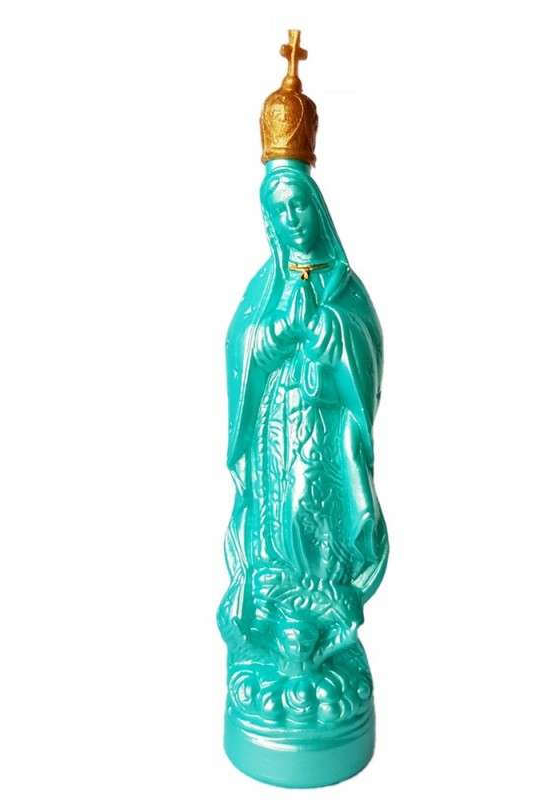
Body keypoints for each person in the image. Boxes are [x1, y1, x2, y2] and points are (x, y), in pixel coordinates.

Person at [218, 160, 388, 730]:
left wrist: (330, 332)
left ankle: (323, 590)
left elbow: (365, 342)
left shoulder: (343, 285)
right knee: (276, 511)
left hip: (321, 427)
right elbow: (242, 344)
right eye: (279, 210)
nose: (291, 217)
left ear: (317, 208)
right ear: (269, 221)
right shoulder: (266, 286)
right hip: (275, 426)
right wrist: (273, 336)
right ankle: (276, 611)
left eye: (298, 205)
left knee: (308, 505)